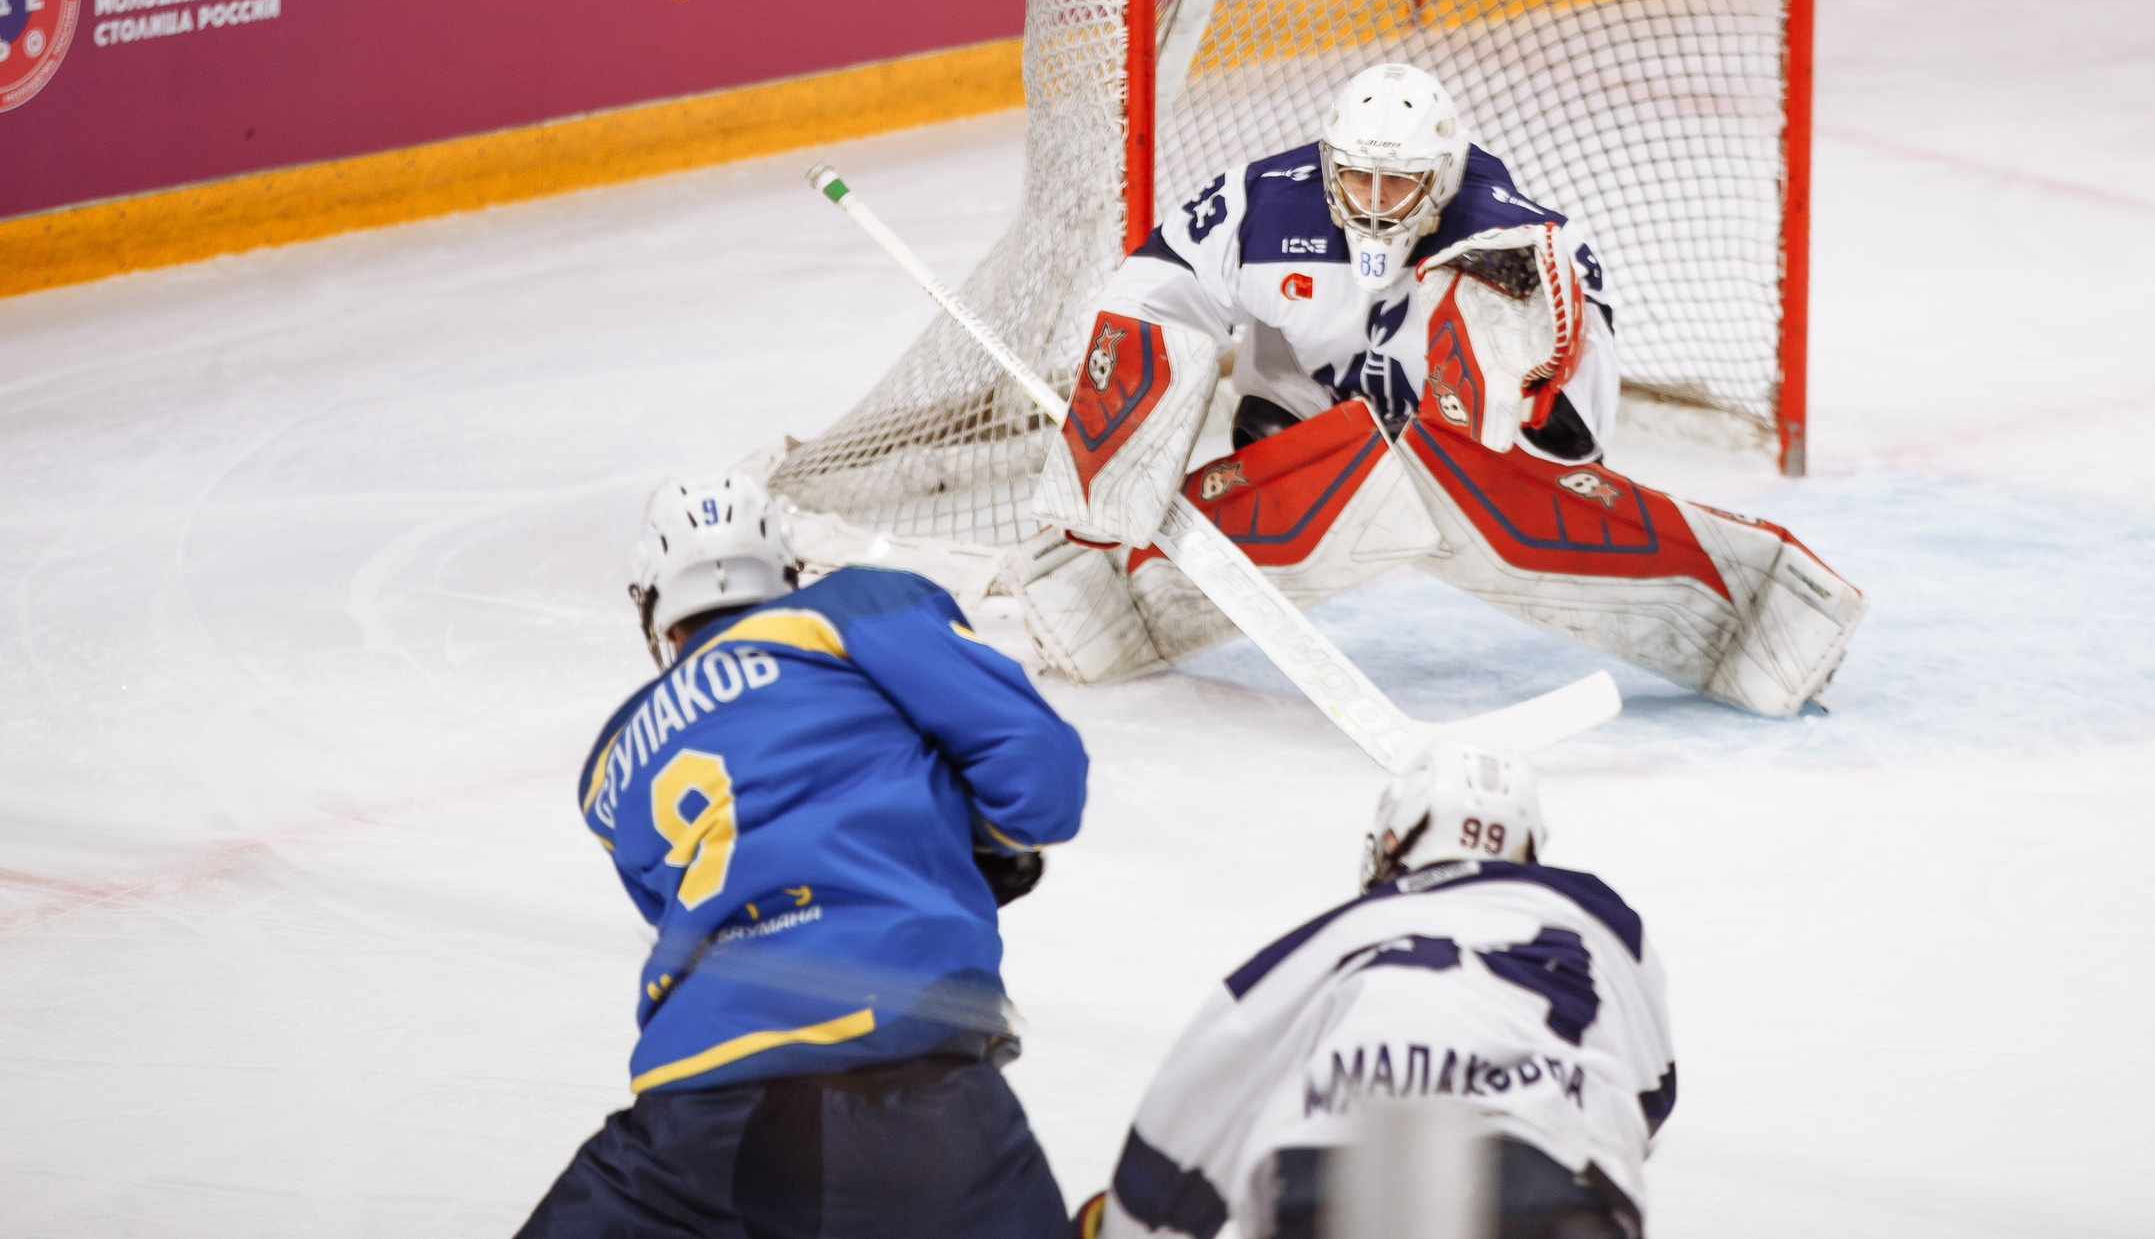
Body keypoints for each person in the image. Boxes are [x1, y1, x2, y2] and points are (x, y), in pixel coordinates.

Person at [1014, 61, 1865, 716]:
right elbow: (1148, 298)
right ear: (1328, 161)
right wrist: (1100, 500)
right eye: (1359, 181)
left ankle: (1755, 605)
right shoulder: (1259, 207)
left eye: (1401, 185)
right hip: (1296, 430)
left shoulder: (1515, 238)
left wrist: (1540, 386)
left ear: (1444, 171)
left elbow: (1578, 432)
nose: (1377, 207)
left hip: (1449, 450)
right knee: (1165, 343)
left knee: (1497, 453)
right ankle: (1104, 585)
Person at [519, 471, 1089, 1239]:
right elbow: (1039, 777)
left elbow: (687, 903)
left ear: (655, 608)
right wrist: (977, 844)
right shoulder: (849, 609)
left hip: (687, 1124)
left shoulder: (613, 762)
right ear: (786, 575)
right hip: (904, 1071)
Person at [1083, 742, 1673, 1239]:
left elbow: (1198, 1098)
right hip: (1558, 1178)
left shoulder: (1338, 935)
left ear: (1397, 838)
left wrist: (1122, 1225)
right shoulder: (1601, 921)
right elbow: (1653, 1091)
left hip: (1337, 1174)